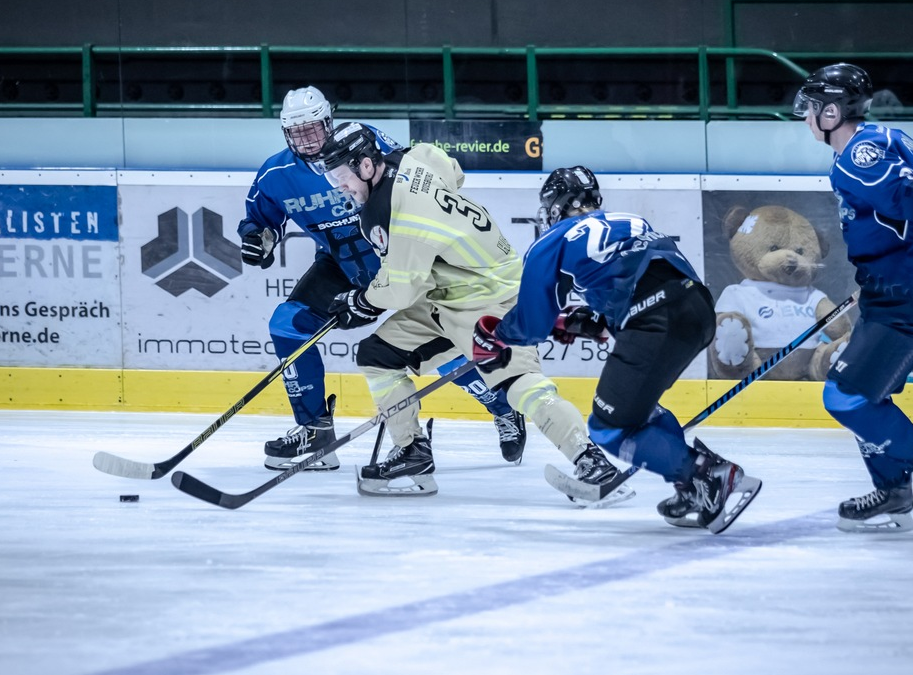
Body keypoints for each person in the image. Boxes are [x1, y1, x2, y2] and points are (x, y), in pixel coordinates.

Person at [317, 123, 634, 503]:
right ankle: (412, 452)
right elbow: (453, 169)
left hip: (491, 299)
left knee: (519, 384)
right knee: (377, 355)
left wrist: (363, 301)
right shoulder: (415, 159)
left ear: (366, 166)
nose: (340, 186)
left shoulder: (397, 215)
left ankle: (592, 461)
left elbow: (401, 289)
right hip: (446, 296)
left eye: (342, 176)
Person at [237, 86, 526, 473]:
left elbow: (407, 179)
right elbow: (261, 220)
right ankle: (315, 429)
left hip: (399, 262)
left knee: (442, 350)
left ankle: (503, 407)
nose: (308, 140)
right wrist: (259, 239)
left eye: (314, 129)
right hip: (341, 266)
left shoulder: (360, 143)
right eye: (298, 133)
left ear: (330, 122)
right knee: (287, 325)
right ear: (286, 134)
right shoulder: (275, 174)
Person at [473, 166, 762, 534]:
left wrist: (495, 336)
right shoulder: (631, 220)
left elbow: (529, 323)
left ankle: (707, 475)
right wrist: (580, 321)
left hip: (656, 319)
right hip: (699, 310)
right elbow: (638, 278)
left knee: (610, 426)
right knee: (639, 410)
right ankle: (692, 485)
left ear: (555, 207)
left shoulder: (550, 241)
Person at [794, 63, 913, 533]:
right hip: (893, 292)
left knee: (845, 398)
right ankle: (895, 491)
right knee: (867, 396)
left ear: (832, 112)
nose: (805, 117)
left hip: (909, 299)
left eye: (812, 109)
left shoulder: (858, 155)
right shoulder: (875, 141)